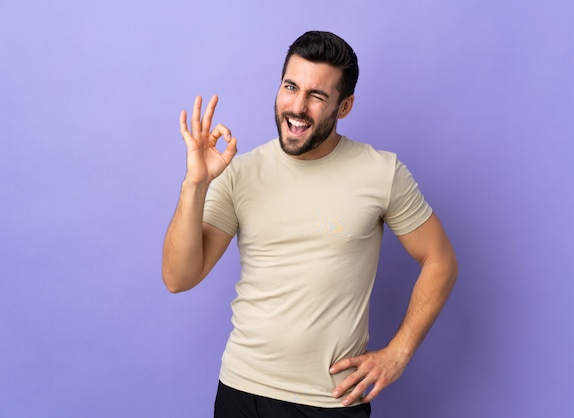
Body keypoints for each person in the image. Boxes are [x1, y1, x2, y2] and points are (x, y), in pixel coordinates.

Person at [162, 31, 458, 418]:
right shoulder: (241, 172)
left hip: (329, 403)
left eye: (317, 96)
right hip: (241, 390)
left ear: (345, 105)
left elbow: (440, 260)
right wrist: (195, 184)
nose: (297, 107)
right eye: (290, 87)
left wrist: (398, 353)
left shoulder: (381, 173)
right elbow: (178, 278)